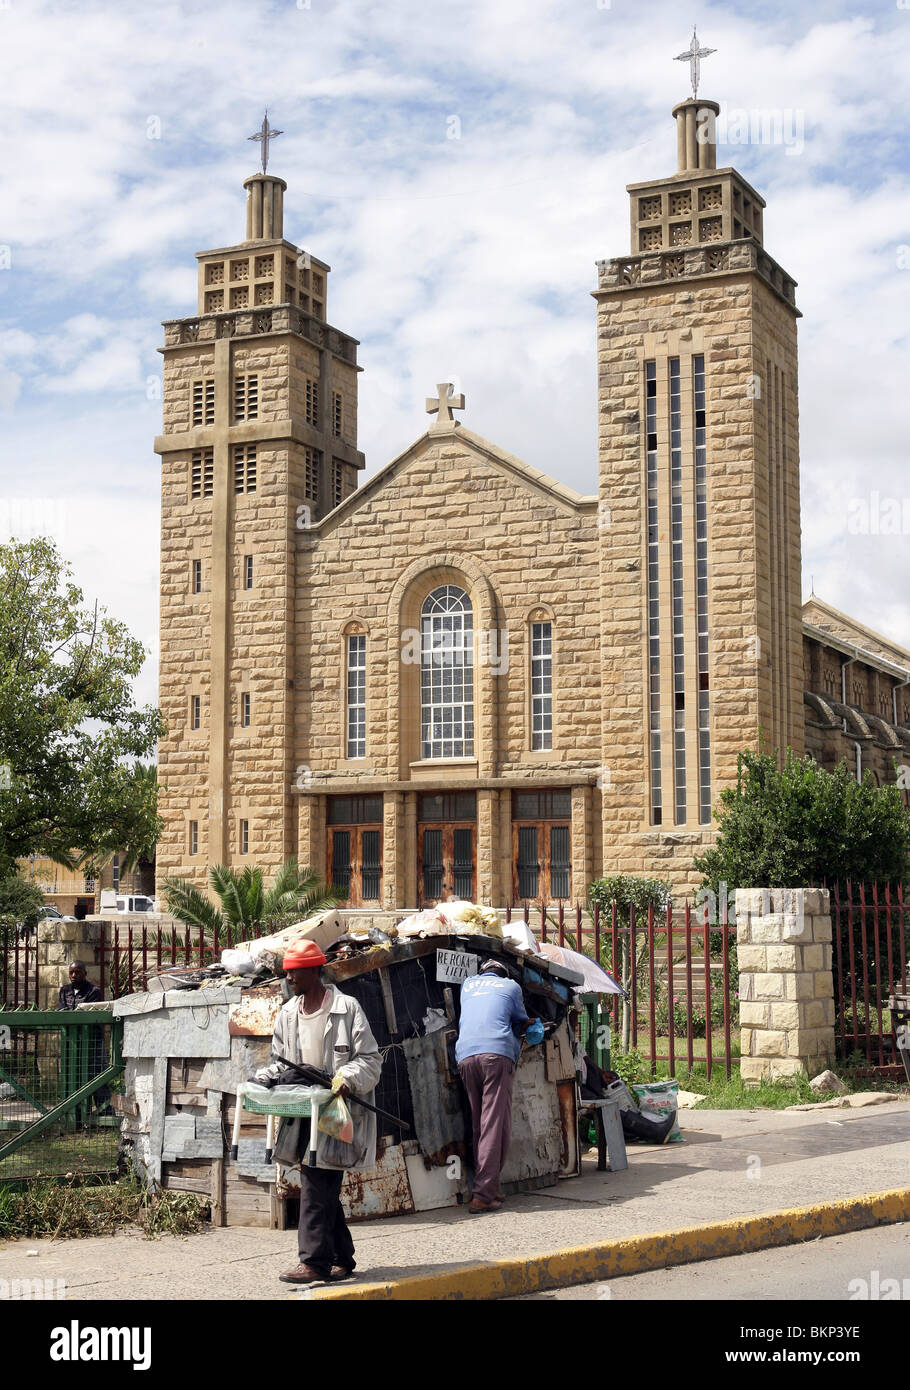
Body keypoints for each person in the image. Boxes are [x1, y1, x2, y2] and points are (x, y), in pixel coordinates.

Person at [253, 940, 382, 1286]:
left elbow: (371, 1059)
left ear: (314, 970)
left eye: (295, 971)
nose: (289, 977)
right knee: (321, 1180)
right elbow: (278, 1064)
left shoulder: (347, 1008)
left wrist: (347, 1079)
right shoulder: (287, 1013)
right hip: (302, 1111)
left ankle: (314, 1262)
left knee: (315, 1180)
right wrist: (262, 1080)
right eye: (288, 971)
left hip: (336, 1108)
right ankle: (341, 1257)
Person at [456, 957, 539, 1214]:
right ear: (502, 975)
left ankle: (489, 1187)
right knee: (494, 1125)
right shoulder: (511, 987)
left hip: (466, 1056)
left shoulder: (467, 985)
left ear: (482, 972)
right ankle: (482, 1195)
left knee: (481, 1124)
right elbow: (521, 1020)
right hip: (496, 1055)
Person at [57, 961, 110, 1112]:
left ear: (85, 974)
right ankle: (77, 1114)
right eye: (71, 972)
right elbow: (61, 1011)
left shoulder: (93, 991)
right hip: (72, 1043)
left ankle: (105, 1112)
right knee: (74, 1076)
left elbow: (89, 1016)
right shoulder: (64, 991)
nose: (74, 975)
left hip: (92, 1043)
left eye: (78, 972)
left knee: (97, 1076)